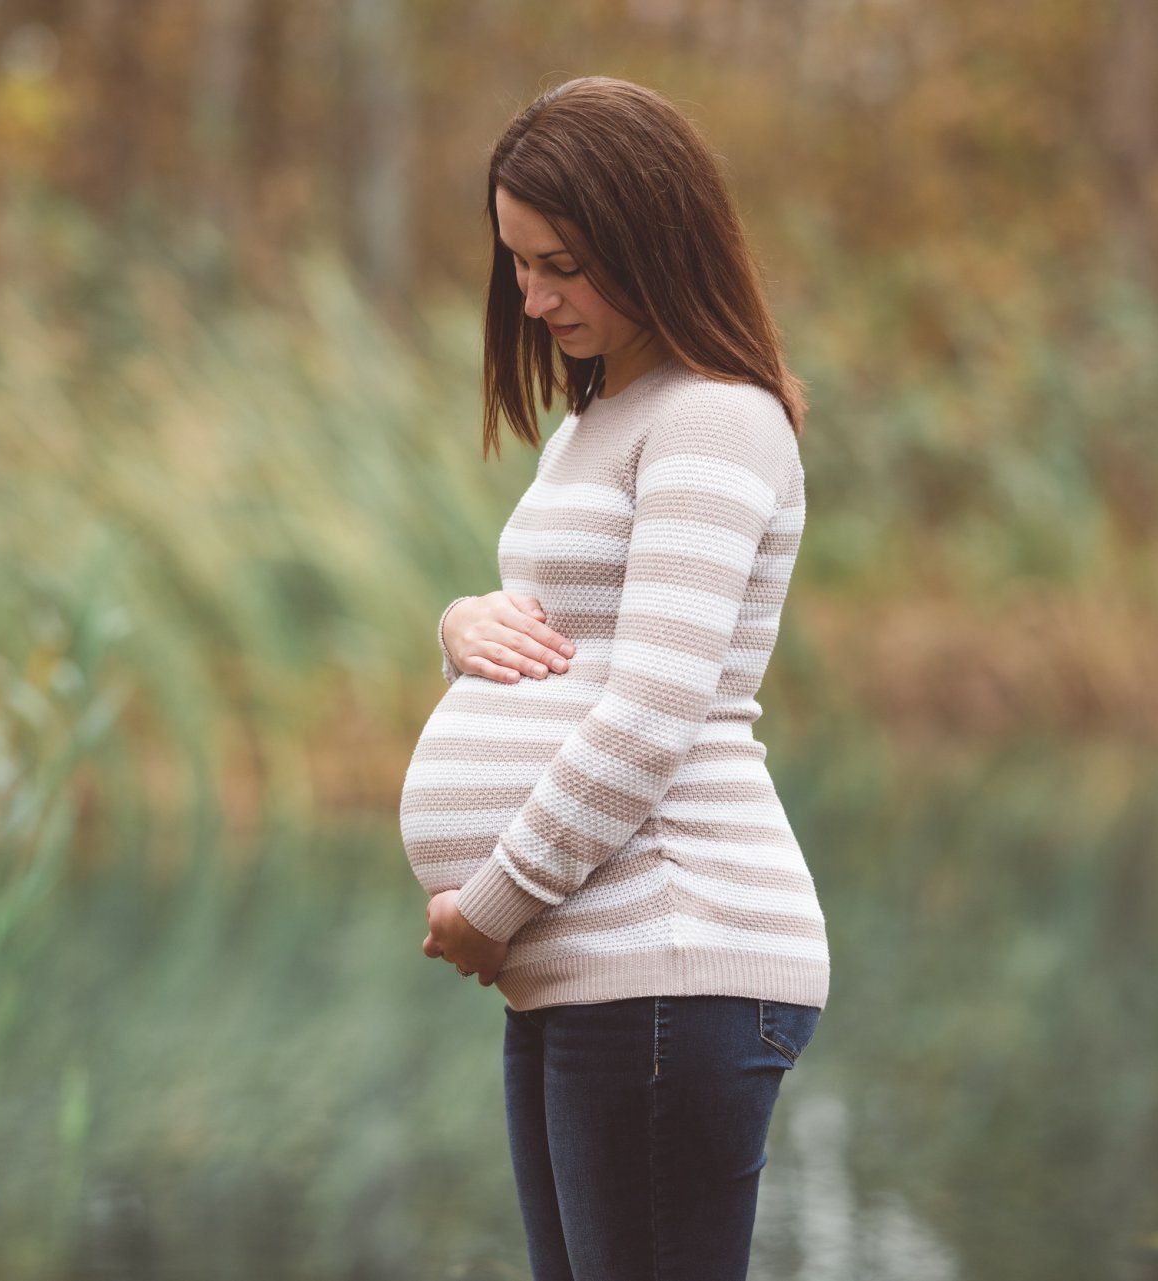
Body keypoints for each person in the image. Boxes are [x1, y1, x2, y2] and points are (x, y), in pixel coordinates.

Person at [396, 74, 831, 1280]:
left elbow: (651, 715)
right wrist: (460, 625)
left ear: (655, 235)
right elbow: (568, 637)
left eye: (564, 264)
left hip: (673, 954)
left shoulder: (714, 421)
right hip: (586, 968)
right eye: (519, 264)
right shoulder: (609, 419)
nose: (534, 298)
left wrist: (490, 908)